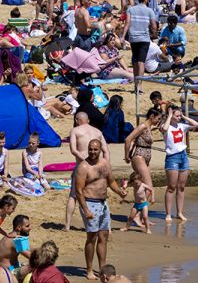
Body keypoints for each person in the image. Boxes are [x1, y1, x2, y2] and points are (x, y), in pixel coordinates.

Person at [75, 139, 126, 279]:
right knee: (92, 237)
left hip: (103, 204)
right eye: (90, 149)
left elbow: (111, 182)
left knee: (104, 236)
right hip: (89, 203)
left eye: (95, 149)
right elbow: (78, 191)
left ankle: (102, 269)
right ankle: (89, 270)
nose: (92, 152)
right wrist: (85, 209)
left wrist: (119, 191)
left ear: (100, 150)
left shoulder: (105, 164)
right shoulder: (83, 167)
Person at [65, 112, 109, 232]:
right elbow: (106, 150)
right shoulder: (97, 131)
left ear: (76, 120)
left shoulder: (75, 130)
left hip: (82, 167)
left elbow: (73, 150)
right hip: (98, 166)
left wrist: (85, 162)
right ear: (88, 120)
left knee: (74, 195)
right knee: (100, 194)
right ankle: (105, 227)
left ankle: (67, 225)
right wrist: (106, 165)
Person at [162, 105, 198, 223]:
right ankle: (168, 213)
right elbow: (164, 129)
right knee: (171, 187)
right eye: (177, 115)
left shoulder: (182, 126)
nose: (179, 118)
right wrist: (169, 116)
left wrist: (184, 116)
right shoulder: (166, 127)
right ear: (171, 116)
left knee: (181, 187)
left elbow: (196, 125)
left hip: (183, 156)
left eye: (180, 116)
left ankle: (179, 212)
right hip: (172, 157)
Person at [124, 0, 158, 82]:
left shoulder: (130, 9)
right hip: (144, 38)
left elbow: (127, 23)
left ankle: (135, 81)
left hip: (133, 38)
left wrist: (122, 36)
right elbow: (154, 26)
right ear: (146, 0)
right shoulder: (149, 11)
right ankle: (140, 84)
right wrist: (154, 34)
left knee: (135, 61)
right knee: (141, 62)